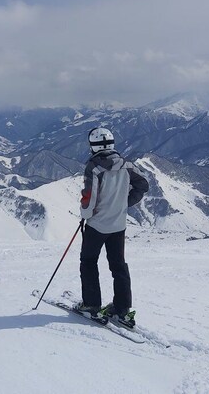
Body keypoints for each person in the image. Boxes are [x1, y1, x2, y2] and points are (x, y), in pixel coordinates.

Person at [75, 126, 149, 328]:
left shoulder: (94, 168)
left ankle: (91, 305)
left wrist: (85, 214)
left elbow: (90, 197)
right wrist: (125, 203)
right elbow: (143, 184)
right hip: (119, 225)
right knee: (118, 266)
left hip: (97, 225)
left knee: (88, 262)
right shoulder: (126, 165)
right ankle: (122, 310)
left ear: (93, 146)